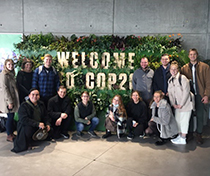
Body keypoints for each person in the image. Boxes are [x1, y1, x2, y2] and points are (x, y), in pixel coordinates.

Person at [181, 48, 210, 144]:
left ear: (196, 55)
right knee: (188, 115)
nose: (192, 56)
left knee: (200, 115)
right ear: (188, 56)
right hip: (189, 96)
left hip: (200, 95)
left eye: (194, 54)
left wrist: (206, 95)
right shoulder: (184, 68)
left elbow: (208, 82)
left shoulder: (205, 67)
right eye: (190, 54)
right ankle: (189, 134)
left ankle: (199, 134)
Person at [11, 88, 51, 153]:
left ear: (39, 96)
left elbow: (45, 116)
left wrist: (48, 124)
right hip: (28, 125)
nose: (35, 96)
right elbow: (23, 119)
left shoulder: (41, 104)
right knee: (27, 129)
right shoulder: (24, 105)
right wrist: (37, 124)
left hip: (39, 125)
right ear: (29, 96)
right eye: (33, 94)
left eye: (37, 95)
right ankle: (28, 141)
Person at [168, 61, 194, 145]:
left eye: (175, 69)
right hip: (177, 106)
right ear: (170, 70)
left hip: (185, 105)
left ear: (178, 69)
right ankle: (179, 136)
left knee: (184, 122)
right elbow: (170, 94)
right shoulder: (170, 80)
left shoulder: (183, 78)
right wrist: (173, 104)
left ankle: (183, 138)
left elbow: (186, 92)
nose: (173, 71)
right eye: (172, 69)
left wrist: (181, 104)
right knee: (178, 121)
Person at [0, 59, 19, 142]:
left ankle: (10, 133)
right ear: (5, 65)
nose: (11, 66)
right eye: (9, 65)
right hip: (8, 100)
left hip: (13, 98)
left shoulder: (11, 74)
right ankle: (8, 135)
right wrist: (9, 101)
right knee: (10, 117)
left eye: (12, 64)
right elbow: (5, 88)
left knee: (11, 116)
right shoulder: (3, 75)